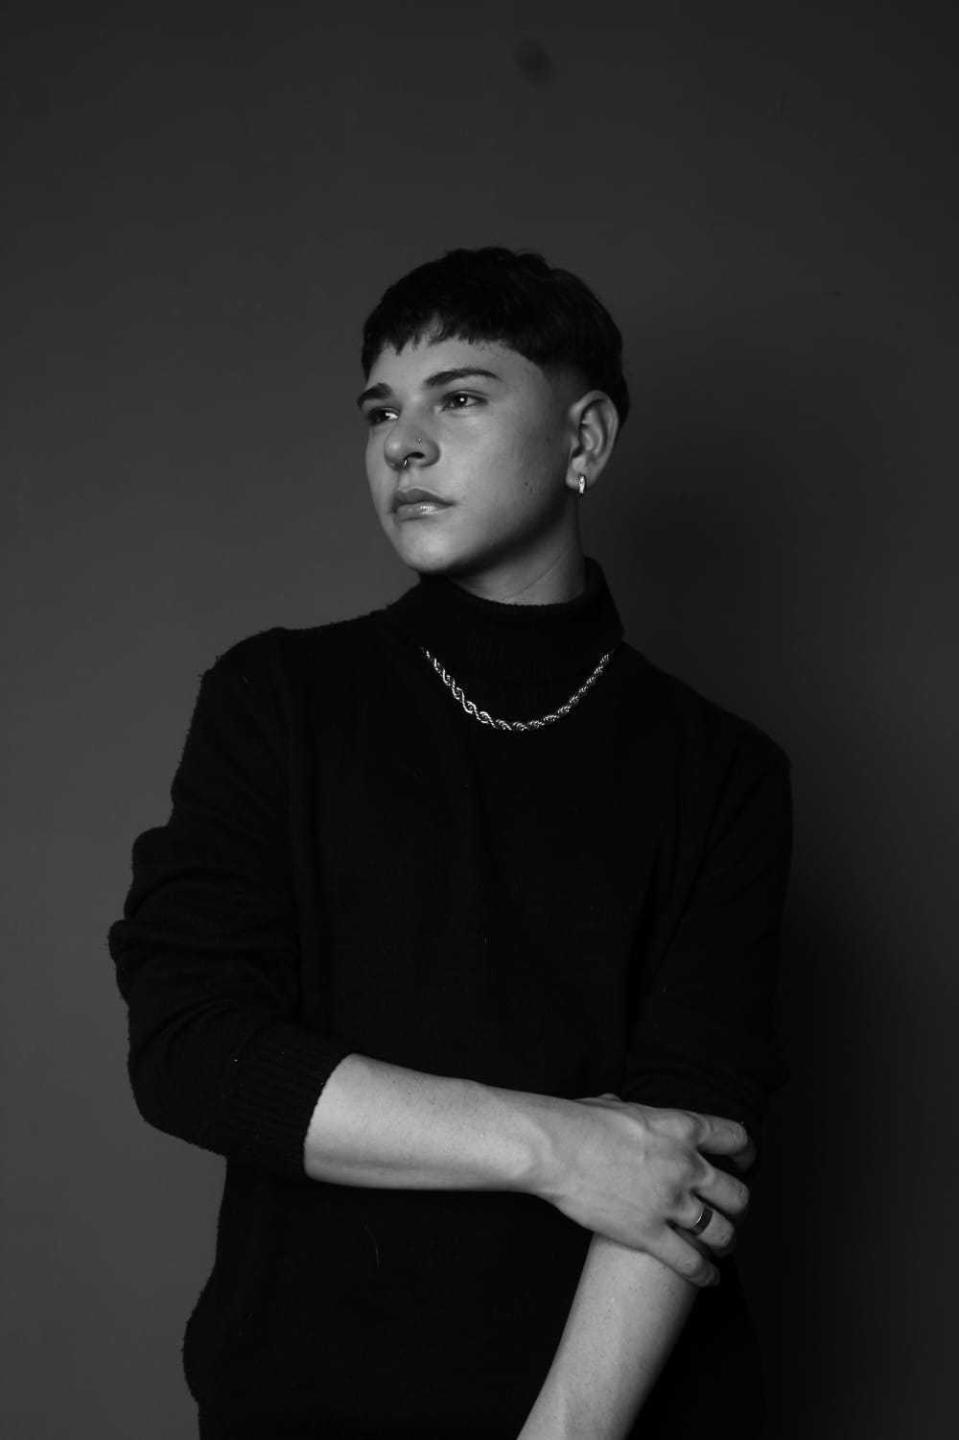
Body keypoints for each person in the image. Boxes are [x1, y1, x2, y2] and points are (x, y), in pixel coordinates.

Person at [109, 246, 792, 1439]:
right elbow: (191, 1050)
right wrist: (555, 1146)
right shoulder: (278, 700)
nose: (403, 446)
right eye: (380, 411)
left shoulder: (720, 770)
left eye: (459, 398)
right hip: (303, 1406)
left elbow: (686, 1152)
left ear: (583, 441)